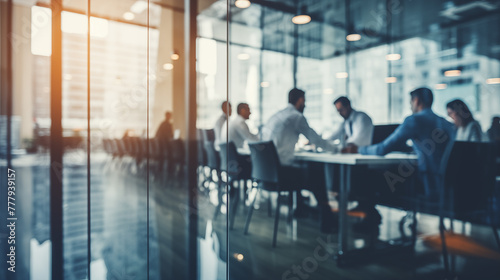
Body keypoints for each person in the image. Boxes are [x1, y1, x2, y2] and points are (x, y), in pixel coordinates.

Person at [343, 87, 455, 230]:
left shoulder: (414, 120)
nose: (410, 105)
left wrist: (358, 149)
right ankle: (370, 216)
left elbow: (382, 149)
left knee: (368, 176)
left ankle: (370, 220)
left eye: (410, 101)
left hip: (425, 185)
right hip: (447, 187)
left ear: (416, 100)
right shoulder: (446, 123)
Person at [262, 88, 336, 233]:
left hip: (265, 175)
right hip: (281, 176)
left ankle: (302, 208)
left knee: (301, 167)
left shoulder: (275, 116)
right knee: (317, 174)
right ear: (301, 100)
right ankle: (328, 220)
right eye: (305, 101)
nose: (305, 104)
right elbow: (316, 139)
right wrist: (337, 150)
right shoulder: (296, 117)